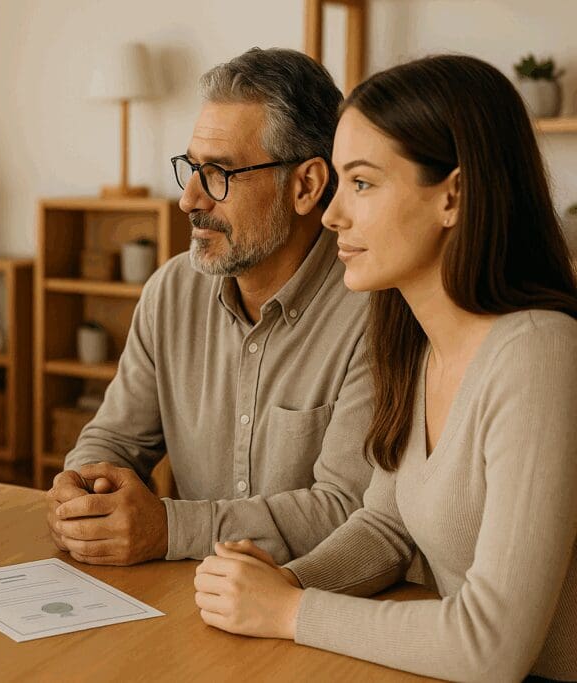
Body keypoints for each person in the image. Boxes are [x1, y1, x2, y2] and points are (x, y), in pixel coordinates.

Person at [193, 54, 577, 682]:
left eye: (363, 184)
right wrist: (274, 584)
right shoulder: (419, 343)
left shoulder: (539, 353)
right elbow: (387, 527)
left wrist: (290, 609)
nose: (331, 213)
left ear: (452, 195)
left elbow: (494, 645)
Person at [47, 47, 374, 566]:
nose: (190, 199)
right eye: (191, 169)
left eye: (219, 173)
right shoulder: (169, 292)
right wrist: (83, 489)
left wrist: (172, 529)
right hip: (184, 598)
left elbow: (349, 511)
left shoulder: (374, 313)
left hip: (303, 610)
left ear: (306, 185)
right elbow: (114, 437)